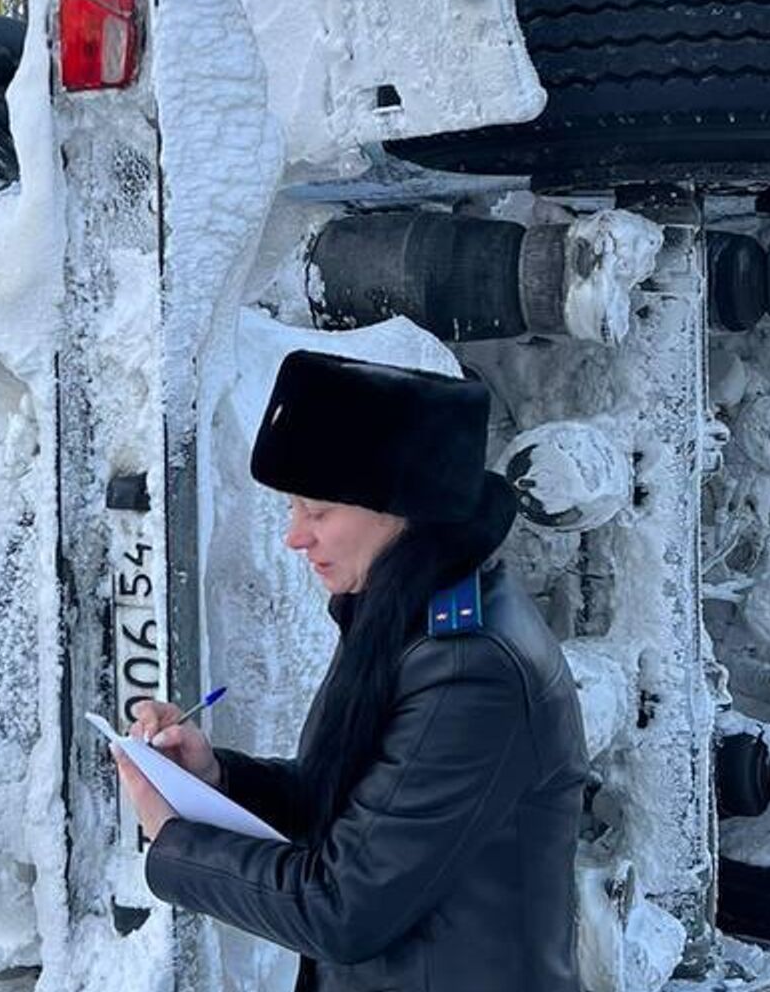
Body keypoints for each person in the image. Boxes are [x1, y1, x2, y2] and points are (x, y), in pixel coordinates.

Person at [110, 349, 589, 992]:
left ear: (400, 507)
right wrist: (217, 778)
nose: (294, 537)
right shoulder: (404, 616)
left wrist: (173, 838)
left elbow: (344, 907)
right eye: (292, 509)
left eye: (317, 510)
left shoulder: (471, 669)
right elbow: (357, 818)